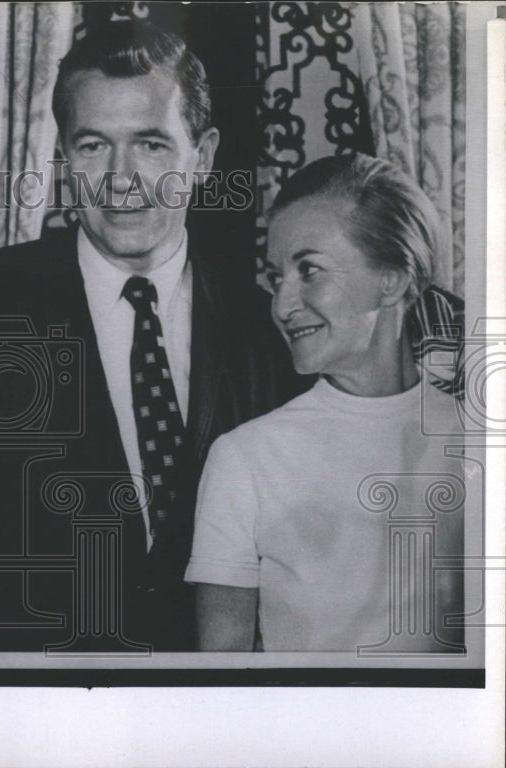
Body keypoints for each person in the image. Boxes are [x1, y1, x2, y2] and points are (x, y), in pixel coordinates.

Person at [0, 21, 308, 652]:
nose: (121, 177)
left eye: (151, 144)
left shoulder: (270, 331)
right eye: (93, 146)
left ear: (202, 157)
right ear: (64, 155)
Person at [185, 153, 466, 652]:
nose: (281, 304)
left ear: (392, 278)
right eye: (276, 278)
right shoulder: (244, 458)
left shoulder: (478, 443)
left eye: (309, 270)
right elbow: (220, 676)